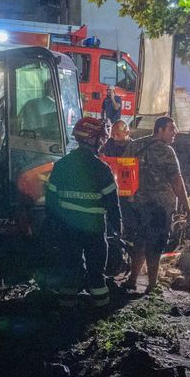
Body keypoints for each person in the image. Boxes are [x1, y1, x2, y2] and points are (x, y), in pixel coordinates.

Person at [45, 117, 121, 309]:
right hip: (94, 231)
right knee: (96, 275)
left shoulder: (61, 165)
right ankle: (101, 316)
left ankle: (66, 313)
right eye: (101, 138)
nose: (103, 142)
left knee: (69, 271)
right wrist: (118, 231)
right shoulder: (102, 169)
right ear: (91, 139)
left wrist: (52, 227)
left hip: (67, 229)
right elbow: (113, 205)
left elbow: (51, 201)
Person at [122, 116, 190, 293]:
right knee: (156, 245)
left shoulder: (134, 145)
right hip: (159, 208)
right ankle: (152, 285)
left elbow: (123, 171)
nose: (175, 132)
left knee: (139, 242)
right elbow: (176, 180)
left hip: (136, 205)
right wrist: (186, 204)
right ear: (159, 130)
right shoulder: (167, 152)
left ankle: (132, 280)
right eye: (171, 129)